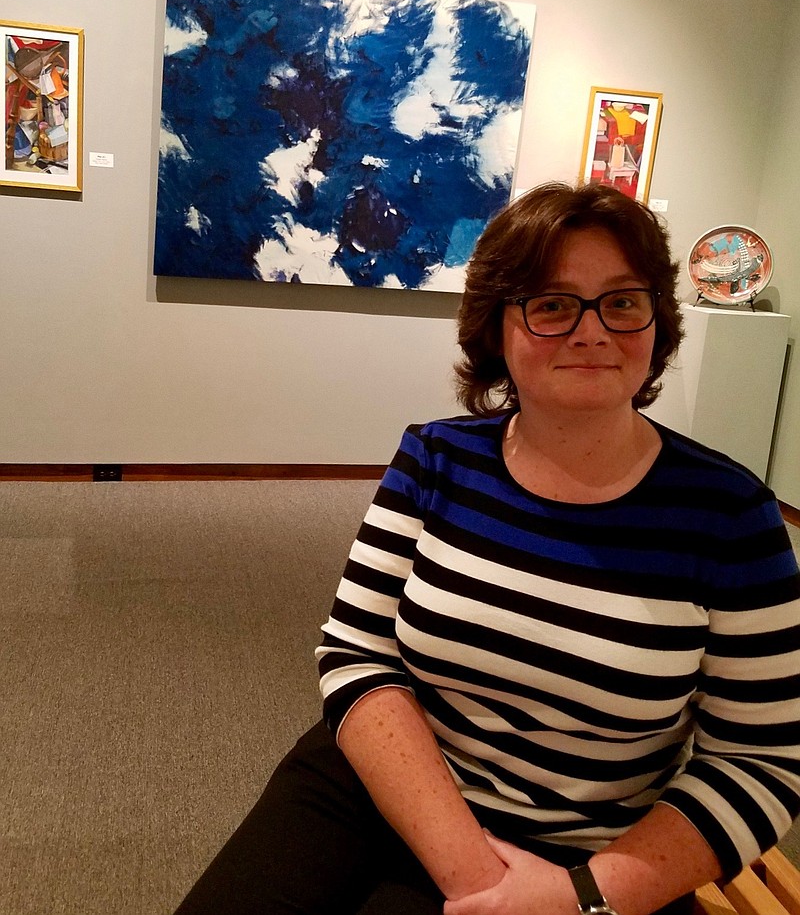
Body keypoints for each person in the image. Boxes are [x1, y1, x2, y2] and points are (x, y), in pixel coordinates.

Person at [174, 182, 800, 915]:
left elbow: (758, 760)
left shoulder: (731, 516)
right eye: (552, 304)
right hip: (381, 786)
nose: (593, 330)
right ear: (497, 328)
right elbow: (356, 655)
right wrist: (473, 873)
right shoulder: (436, 458)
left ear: (657, 323)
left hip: (584, 854)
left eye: (622, 302)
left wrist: (581, 897)